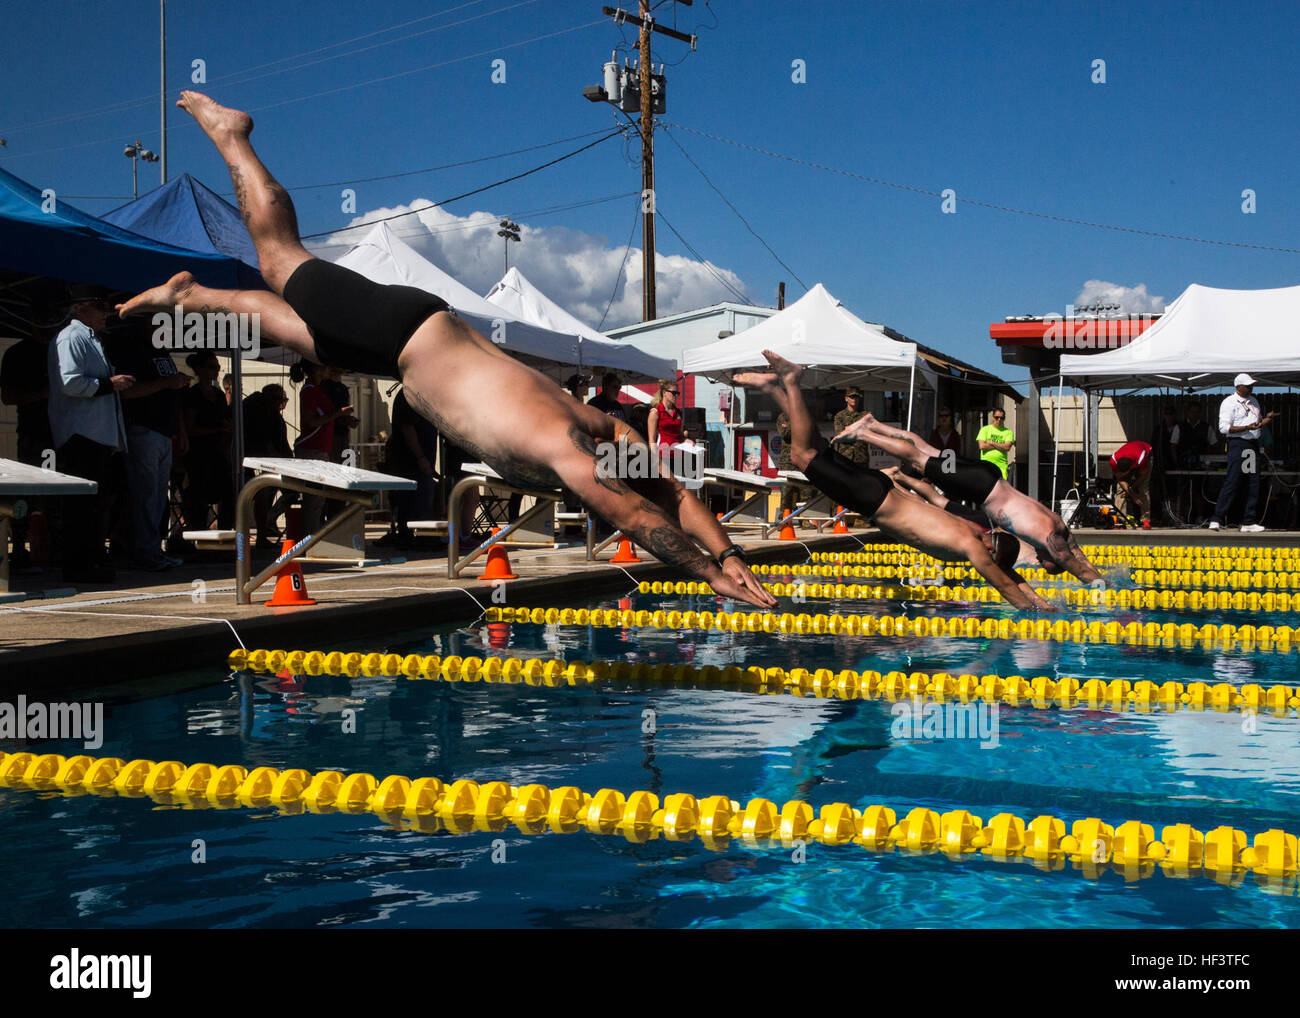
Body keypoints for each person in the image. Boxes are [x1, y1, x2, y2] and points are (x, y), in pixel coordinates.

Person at [118, 92, 773, 608]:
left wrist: (727, 554)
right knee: (282, 258)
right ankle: (233, 136)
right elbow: (636, 512)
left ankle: (190, 296)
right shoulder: (570, 450)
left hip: (409, 345)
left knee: (298, 329)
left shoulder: (605, 430)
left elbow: (670, 494)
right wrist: (706, 572)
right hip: (406, 336)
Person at [735, 351, 1054, 611]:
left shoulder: (975, 531)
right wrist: (1034, 611)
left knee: (816, 446)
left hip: (882, 489)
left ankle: (771, 388)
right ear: (990, 550)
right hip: (873, 498)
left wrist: (1042, 602)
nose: (988, 564)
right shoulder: (974, 547)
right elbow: (1005, 584)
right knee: (805, 455)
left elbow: (1007, 572)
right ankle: (791, 381)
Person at [833, 403, 1103, 583]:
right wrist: (1097, 587)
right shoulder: (1047, 537)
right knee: (918, 459)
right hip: (979, 487)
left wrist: (1102, 578)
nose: (1043, 562)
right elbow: (1070, 560)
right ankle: (864, 434)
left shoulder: (1059, 526)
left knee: (928, 451)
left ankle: (874, 424)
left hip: (986, 477)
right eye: (1049, 563)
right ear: (1051, 557)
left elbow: (1077, 555)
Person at [48, 284, 131, 583]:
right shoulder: (71, 338)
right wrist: (110, 384)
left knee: (95, 505)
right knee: (80, 508)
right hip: (81, 436)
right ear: (79, 308)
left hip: (96, 436)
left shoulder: (91, 339)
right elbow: (69, 382)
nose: (106, 312)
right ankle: (78, 565)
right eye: (99, 305)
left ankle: (90, 560)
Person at [106, 315, 192, 569]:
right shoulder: (134, 351)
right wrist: (167, 382)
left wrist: (180, 429)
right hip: (143, 429)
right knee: (145, 496)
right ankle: (144, 549)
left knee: (156, 496)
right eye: (162, 323)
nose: (168, 329)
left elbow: (173, 393)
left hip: (164, 432)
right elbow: (129, 391)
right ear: (148, 324)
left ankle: (151, 547)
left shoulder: (162, 352)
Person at [1, 310, 56, 571]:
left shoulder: (61, 348)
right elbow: (8, 397)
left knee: (56, 492)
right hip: (34, 433)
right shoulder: (18, 353)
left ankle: (48, 546)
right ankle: (22, 545)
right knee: (32, 489)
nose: (46, 323)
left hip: (63, 433)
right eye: (42, 317)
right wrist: (41, 395)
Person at [292, 360, 353, 535]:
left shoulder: (317, 389)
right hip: (312, 448)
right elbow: (311, 421)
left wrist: (342, 418)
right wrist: (339, 413)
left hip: (321, 448)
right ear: (317, 369)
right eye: (325, 366)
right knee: (313, 499)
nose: (329, 368)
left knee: (318, 499)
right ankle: (309, 539)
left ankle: (313, 536)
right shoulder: (309, 391)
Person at [1208, 373, 1274, 532]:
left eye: (1252, 385)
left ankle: (1248, 521)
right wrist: (1246, 428)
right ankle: (1216, 518)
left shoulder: (1254, 401)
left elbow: (1255, 424)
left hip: (1252, 445)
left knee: (1252, 482)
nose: (1251, 387)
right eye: (1248, 385)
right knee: (1233, 480)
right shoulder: (1229, 402)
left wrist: (1266, 420)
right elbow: (1224, 428)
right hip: (1238, 444)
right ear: (1238, 386)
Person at [181, 351, 235, 532]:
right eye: (212, 367)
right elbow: (190, 428)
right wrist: (218, 429)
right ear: (200, 370)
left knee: (229, 492)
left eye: (218, 368)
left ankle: (226, 533)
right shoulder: (192, 395)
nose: (217, 371)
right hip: (199, 453)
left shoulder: (219, 395)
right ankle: (198, 536)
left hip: (218, 451)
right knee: (199, 497)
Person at [382, 387, 440, 547]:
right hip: (411, 462)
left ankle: (419, 537)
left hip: (421, 460)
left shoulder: (422, 395)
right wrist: (420, 457)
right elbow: (407, 428)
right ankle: (410, 537)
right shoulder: (409, 395)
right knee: (413, 501)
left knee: (422, 500)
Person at [242, 382, 293, 547]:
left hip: (272, 463)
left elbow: (282, 445)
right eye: (278, 399)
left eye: (283, 399)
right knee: (260, 495)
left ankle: (268, 523)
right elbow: (263, 443)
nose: (280, 403)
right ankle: (261, 533)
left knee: (292, 491)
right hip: (253, 461)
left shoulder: (275, 417)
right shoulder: (256, 412)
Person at [1109, 439, 1152, 529]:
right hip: (1130, 454)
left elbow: (1143, 476)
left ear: (1130, 469)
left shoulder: (1141, 459)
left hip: (1146, 454)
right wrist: (1131, 494)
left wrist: (1132, 489)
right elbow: (1120, 479)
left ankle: (1146, 519)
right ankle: (1120, 519)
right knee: (1120, 490)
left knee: (1143, 489)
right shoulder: (1113, 461)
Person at [646, 378, 684, 465]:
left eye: (677, 393)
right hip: (662, 456)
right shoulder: (655, 412)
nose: (676, 396)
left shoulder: (678, 413)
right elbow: (652, 439)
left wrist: (688, 441)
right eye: (673, 393)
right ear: (664, 393)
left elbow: (680, 436)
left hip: (678, 456)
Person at [1169, 403, 1217, 467]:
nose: (1194, 414)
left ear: (1200, 413)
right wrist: (1177, 462)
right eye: (1192, 412)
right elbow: (1173, 446)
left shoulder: (1207, 427)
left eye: (1197, 412)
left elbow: (1214, 445)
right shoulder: (1179, 427)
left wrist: (1208, 461)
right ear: (1188, 413)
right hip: (1183, 463)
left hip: (1201, 463)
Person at [976, 408, 1014, 479]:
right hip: (986, 466)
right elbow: (982, 446)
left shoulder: (1008, 432)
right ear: (992, 417)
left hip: (1001, 467)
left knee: (1001, 489)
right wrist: (1001, 446)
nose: (999, 420)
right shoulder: (984, 429)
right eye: (997, 417)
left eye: (1002, 418)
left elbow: (1007, 448)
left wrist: (992, 442)